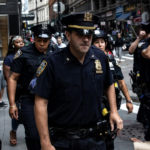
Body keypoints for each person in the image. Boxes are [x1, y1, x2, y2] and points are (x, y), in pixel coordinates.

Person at [29, 12, 123, 150]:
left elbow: (108, 84)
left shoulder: (100, 57)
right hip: (63, 141)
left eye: (89, 35)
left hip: (95, 140)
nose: (86, 39)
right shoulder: (53, 63)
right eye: (80, 34)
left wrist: (114, 111)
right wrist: (45, 143)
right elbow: (40, 103)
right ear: (68, 35)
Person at [7, 24, 55, 150]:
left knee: (53, 134)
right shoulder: (23, 53)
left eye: (45, 41)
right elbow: (12, 78)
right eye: (39, 40)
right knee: (33, 135)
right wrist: (12, 104)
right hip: (29, 98)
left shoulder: (57, 53)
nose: (42, 44)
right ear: (33, 38)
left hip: (52, 99)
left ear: (50, 39)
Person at [92, 30, 133, 150]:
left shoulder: (110, 59)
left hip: (110, 106)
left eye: (102, 42)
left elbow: (120, 81)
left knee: (109, 137)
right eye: (96, 42)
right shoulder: (87, 60)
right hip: (94, 106)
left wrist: (129, 100)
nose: (100, 45)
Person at [3, 36, 24, 146]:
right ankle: (13, 131)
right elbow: (8, 77)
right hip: (15, 89)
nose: (21, 43)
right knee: (16, 111)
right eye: (18, 42)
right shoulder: (9, 58)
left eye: (22, 42)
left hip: (27, 88)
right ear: (12, 44)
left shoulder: (27, 55)